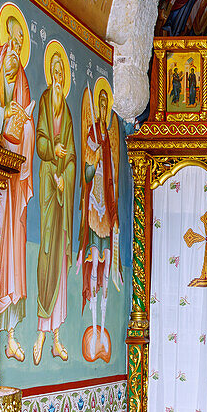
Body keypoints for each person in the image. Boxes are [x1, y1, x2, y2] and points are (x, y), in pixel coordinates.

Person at [0, 14, 35, 361]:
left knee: (15, 246)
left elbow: (29, 124)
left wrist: (24, 124)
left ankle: (11, 333)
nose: (16, 46)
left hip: (16, 177)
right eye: (13, 39)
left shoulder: (24, 80)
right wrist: (6, 114)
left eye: (21, 41)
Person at [34, 46, 76, 364]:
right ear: (50, 75)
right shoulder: (46, 103)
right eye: (55, 72)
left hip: (62, 185)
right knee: (46, 250)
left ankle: (57, 336)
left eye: (63, 73)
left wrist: (67, 174)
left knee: (59, 257)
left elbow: (74, 156)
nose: (59, 78)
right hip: (48, 182)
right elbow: (40, 142)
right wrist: (55, 154)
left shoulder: (68, 113)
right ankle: (39, 331)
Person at [79, 81, 122, 361]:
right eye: (102, 105)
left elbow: (113, 177)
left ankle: (102, 328)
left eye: (107, 106)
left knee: (105, 267)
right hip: (94, 204)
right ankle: (93, 327)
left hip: (106, 205)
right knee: (94, 263)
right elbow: (87, 172)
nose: (103, 109)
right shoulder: (94, 134)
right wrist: (92, 158)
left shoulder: (107, 136)